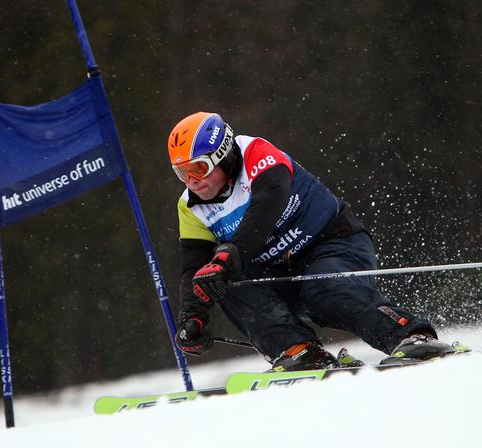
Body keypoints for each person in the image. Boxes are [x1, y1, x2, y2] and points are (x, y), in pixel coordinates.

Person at [169, 111, 459, 371]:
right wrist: (192, 318)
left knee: (323, 291)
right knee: (219, 277)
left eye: (199, 168)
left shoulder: (256, 153)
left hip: (334, 244)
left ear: (224, 155)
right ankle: (299, 351)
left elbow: (269, 201)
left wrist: (232, 252)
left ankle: (411, 336)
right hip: (281, 274)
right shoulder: (190, 207)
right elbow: (193, 267)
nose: (192, 181)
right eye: (182, 172)